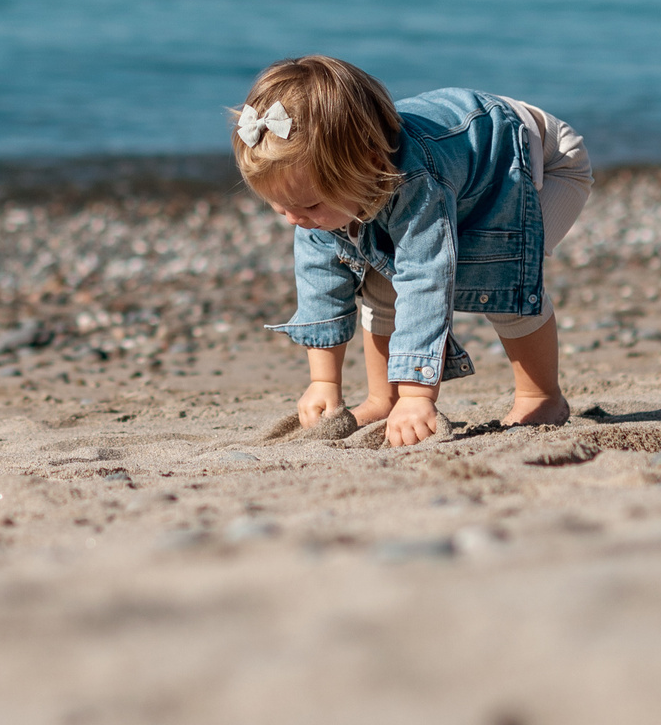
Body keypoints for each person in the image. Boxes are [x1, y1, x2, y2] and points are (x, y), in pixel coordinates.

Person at [232, 55, 593, 446]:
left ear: (369, 166)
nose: (292, 219)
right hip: (467, 169)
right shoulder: (314, 196)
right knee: (379, 277)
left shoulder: (416, 181)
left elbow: (426, 280)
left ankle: (540, 396)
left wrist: (418, 396)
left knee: (500, 278)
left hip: (539, 161)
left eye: (307, 207)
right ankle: (383, 398)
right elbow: (321, 283)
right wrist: (323, 381)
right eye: (279, 207)